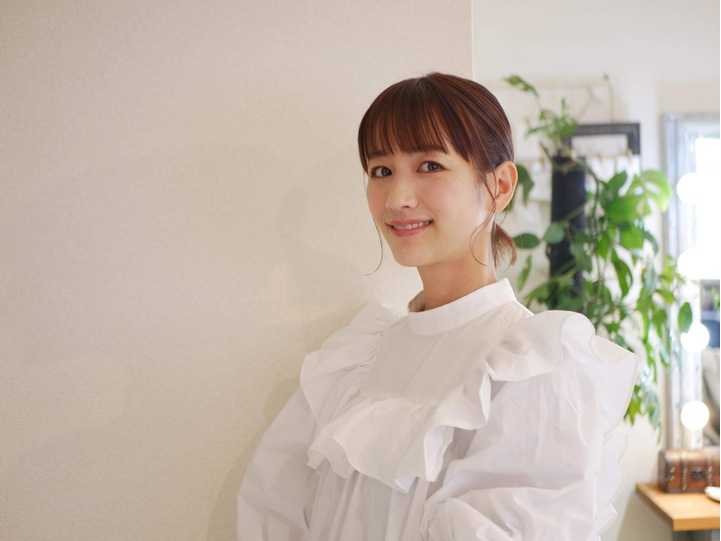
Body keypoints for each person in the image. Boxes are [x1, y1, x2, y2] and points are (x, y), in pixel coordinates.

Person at [236, 72, 641, 540]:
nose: (397, 198)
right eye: (381, 171)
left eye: (429, 165)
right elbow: (274, 512)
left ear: (499, 185)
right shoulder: (355, 359)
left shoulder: (533, 369)